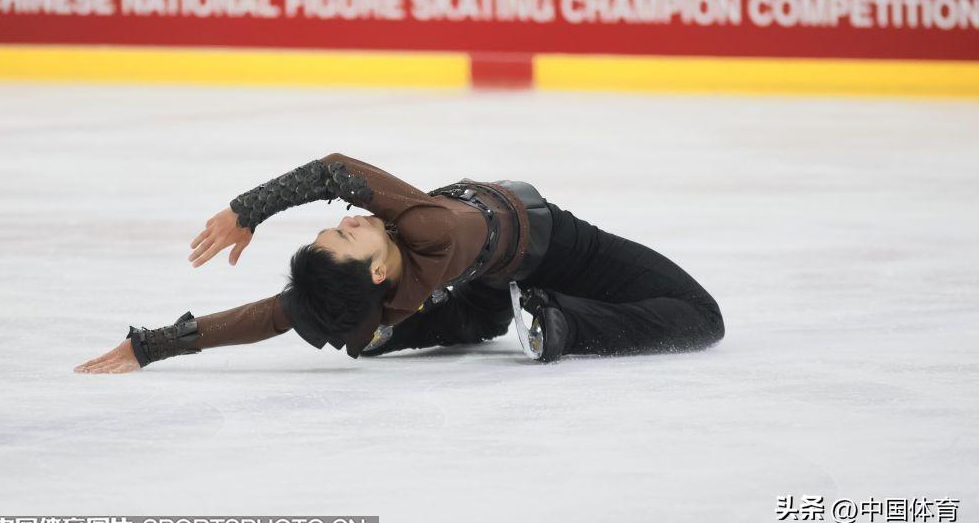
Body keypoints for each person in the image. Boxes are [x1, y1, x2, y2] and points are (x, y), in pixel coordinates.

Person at [74, 153, 724, 374]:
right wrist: (250, 209)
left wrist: (152, 346)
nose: (351, 219)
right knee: (698, 316)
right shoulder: (430, 227)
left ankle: (382, 332)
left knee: (387, 321)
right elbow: (334, 171)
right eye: (348, 235)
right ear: (378, 271)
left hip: (473, 282)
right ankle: (560, 322)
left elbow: (269, 316)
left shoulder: (366, 285)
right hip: (551, 248)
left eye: (339, 225)